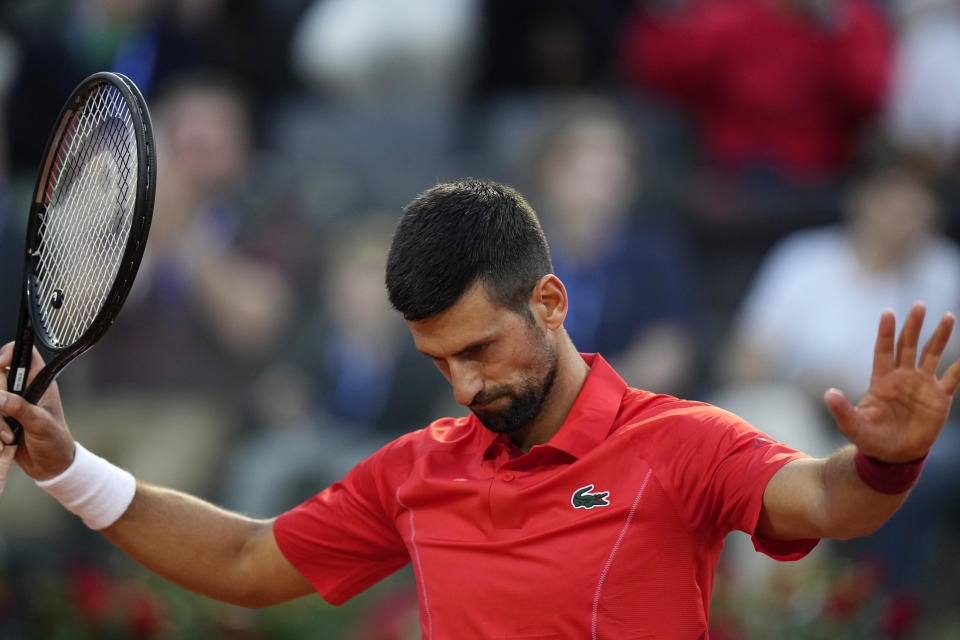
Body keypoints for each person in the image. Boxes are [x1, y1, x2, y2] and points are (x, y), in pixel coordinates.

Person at [0, 179, 958, 637]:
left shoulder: (680, 443)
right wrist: (67, 467)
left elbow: (828, 504)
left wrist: (888, 461)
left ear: (549, 303)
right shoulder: (420, 467)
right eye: (436, 361)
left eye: (477, 351)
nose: (461, 388)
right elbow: (250, 561)